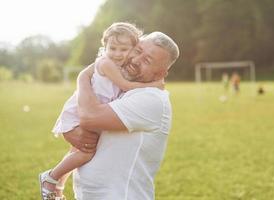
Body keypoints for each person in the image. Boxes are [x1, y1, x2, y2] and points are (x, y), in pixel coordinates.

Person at [39, 22, 163, 200]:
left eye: (123, 49)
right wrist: (154, 85)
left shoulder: (120, 65)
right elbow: (125, 85)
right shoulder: (106, 63)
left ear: (134, 48)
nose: (117, 54)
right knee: (86, 151)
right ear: (105, 46)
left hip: (92, 110)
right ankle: (50, 178)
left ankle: (57, 182)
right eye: (112, 48)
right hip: (81, 111)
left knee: (79, 149)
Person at [63, 31, 179, 200]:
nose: (136, 60)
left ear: (160, 74)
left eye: (147, 60)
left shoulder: (152, 98)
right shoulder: (120, 89)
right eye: (138, 51)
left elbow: (88, 117)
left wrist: (82, 79)